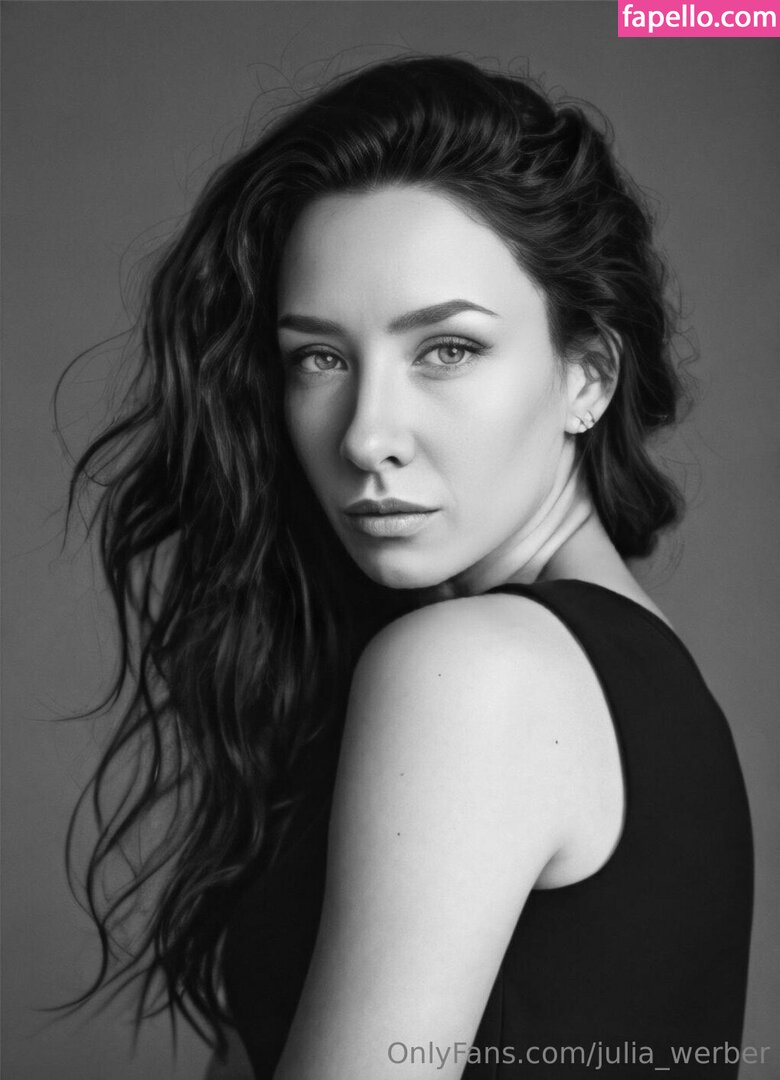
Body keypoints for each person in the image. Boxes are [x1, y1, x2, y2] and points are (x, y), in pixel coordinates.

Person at [62, 55, 753, 1079]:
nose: (365, 434)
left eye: (447, 350)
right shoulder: (625, 679)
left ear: (587, 375)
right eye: (321, 358)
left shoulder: (477, 671)